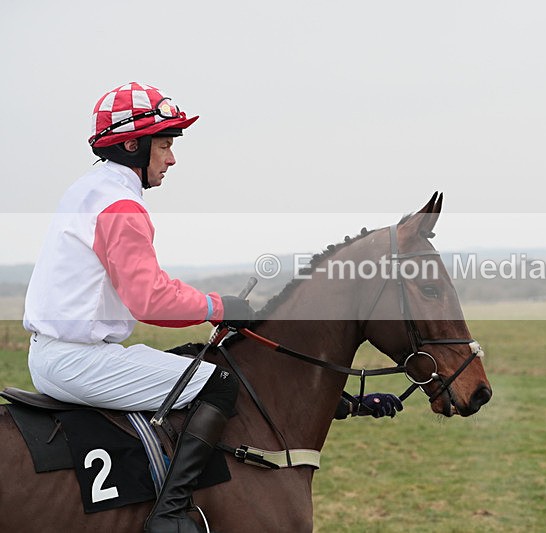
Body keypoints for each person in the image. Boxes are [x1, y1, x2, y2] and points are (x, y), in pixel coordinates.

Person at [22, 82, 401, 533]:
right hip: (78, 361)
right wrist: (219, 306)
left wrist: (344, 403)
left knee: (187, 366)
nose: (172, 158)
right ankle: (169, 514)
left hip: (63, 353)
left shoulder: (90, 189)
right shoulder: (120, 204)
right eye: (164, 144)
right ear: (131, 144)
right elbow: (149, 298)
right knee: (218, 383)